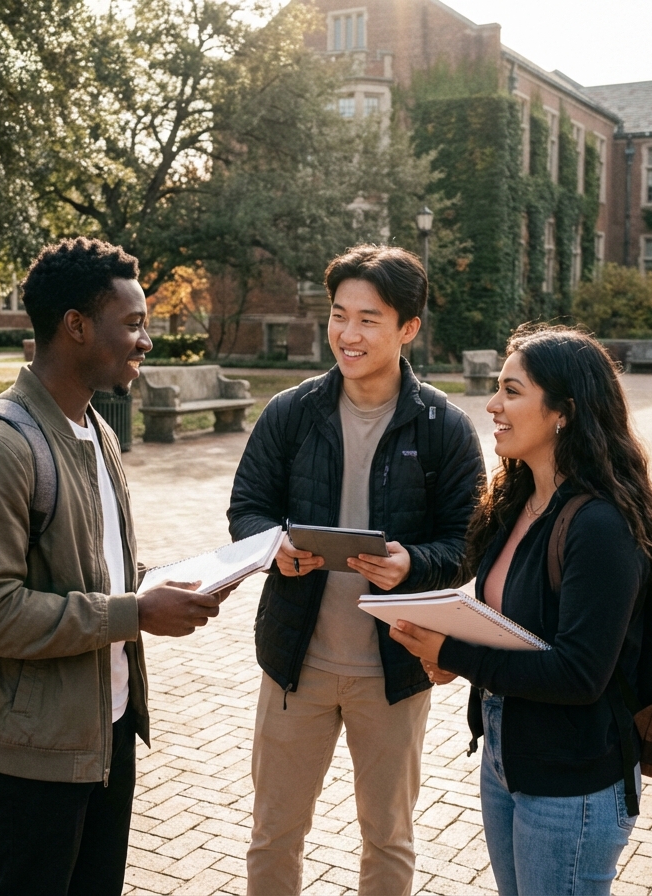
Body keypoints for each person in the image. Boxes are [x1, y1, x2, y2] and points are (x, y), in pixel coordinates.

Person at [0, 237, 222, 896]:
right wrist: (133, 612)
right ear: (76, 326)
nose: (146, 340)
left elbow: (90, 567)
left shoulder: (98, 431)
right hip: (31, 752)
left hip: (105, 730)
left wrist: (160, 584)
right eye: (133, 323)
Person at [390, 325, 652, 895]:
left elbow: (580, 674)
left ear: (564, 412)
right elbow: (512, 630)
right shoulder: (516, 501)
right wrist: (455, 657)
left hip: (574, 778)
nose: (492, 405)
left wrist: (453, 650)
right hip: (507, 759)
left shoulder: (602, 526)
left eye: (512, 391)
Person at [227, 244, 486, 896]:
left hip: (395, 670)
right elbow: (248, 508)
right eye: (339, 315)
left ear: (408, 329)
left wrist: (414, 563)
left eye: (369, 319)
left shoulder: (444, 429)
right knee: (274, 833)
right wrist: (273, 545)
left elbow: (470, 544)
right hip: (295, 662)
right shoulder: (291, 413)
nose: (348, 334)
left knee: (388, 839)